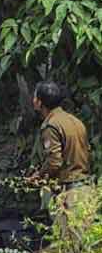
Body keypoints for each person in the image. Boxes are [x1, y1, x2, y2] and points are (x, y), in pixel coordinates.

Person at [31, 81, 91, 238]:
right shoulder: (74, 121)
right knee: (82, 243)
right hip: (84, 186)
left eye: (35, 97)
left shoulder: (51, 126)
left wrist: (38, 176)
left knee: (67, 241)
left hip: (68, 190)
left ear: (40, 102)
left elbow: (54, 161)